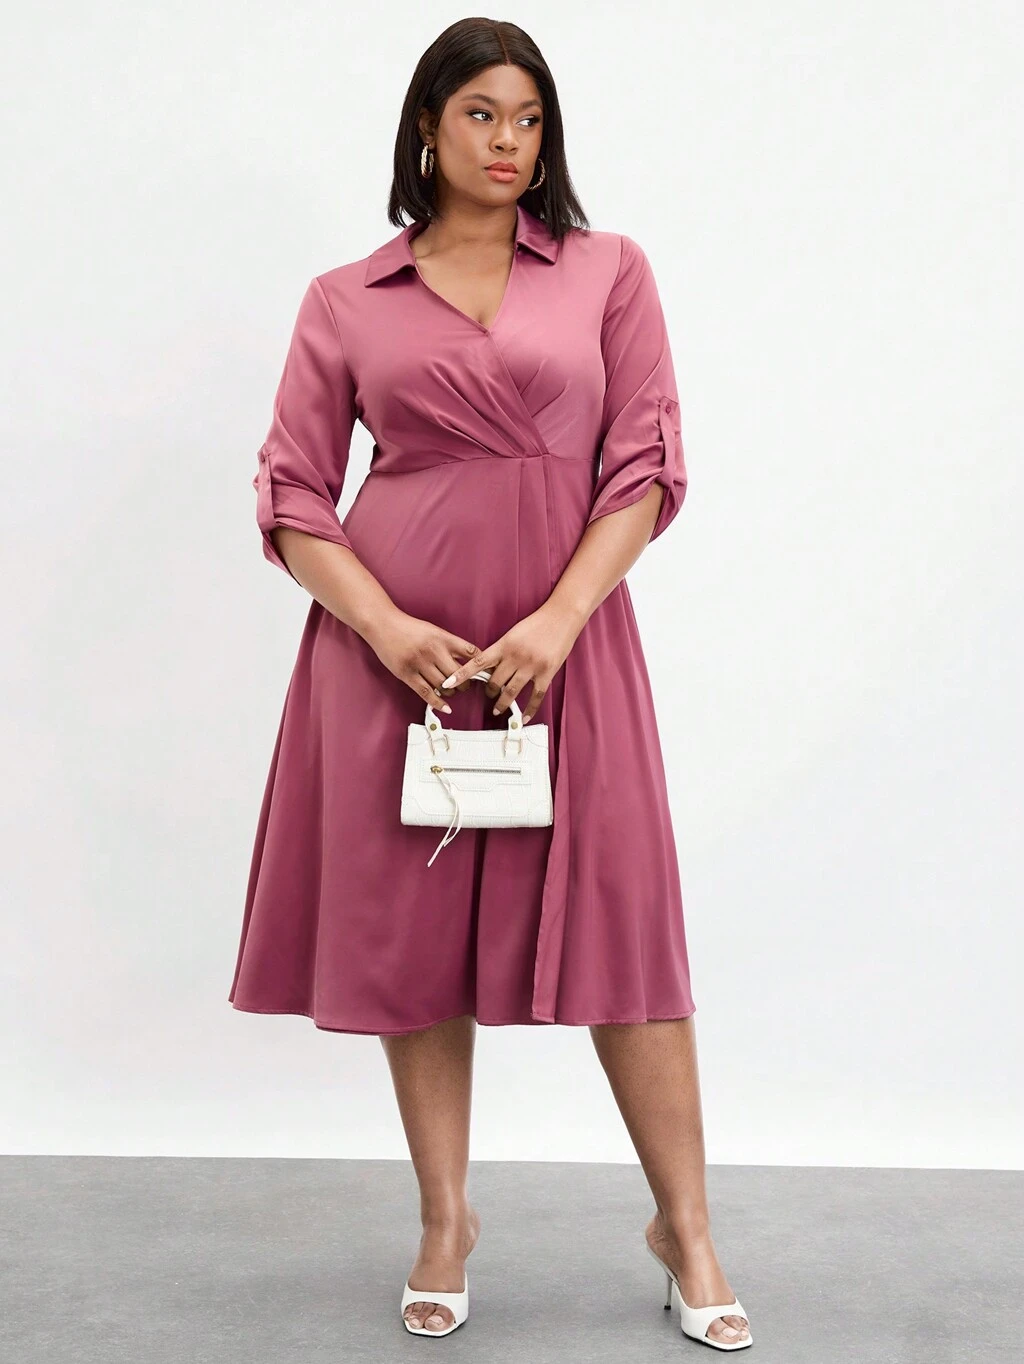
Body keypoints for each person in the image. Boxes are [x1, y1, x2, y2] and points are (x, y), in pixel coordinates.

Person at [228, 16, 752, 1351]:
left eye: (528, 119)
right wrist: (384, 627)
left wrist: (563, 617)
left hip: (566, 649)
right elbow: (293, 492)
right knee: (417, 946)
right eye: (480, 115)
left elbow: (646, 464)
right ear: (427, 127)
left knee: (626, 934)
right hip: (392, 658)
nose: (508, 141)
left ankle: (688, 1229)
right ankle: (446, 1218)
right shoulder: (347, 298)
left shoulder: (609, 270)